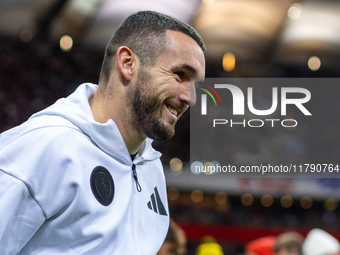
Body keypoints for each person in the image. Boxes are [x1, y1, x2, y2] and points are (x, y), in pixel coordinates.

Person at [0, 10, 206, 254]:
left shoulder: (151, 169)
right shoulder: (42, 148)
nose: (190, 98)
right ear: (128, 63)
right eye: (180, 74)